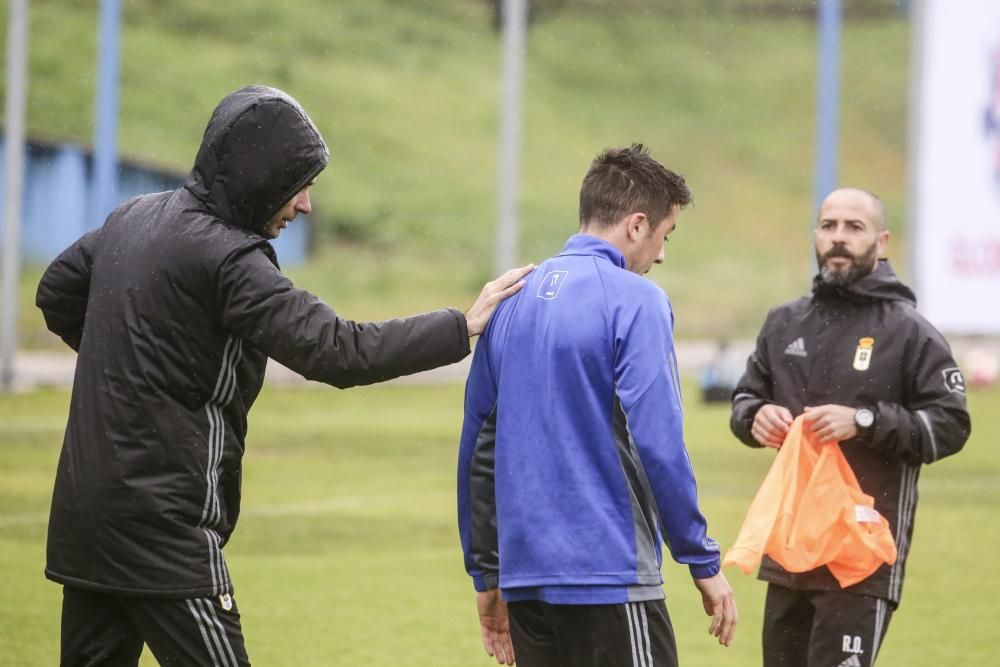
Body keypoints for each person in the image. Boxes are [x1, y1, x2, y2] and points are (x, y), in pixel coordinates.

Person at [35, 84, 531, 667]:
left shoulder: (133, 218)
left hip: (85, 524)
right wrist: (462, 325)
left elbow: (56, 291)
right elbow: (337, 351)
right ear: (260, 175)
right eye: (300, 185)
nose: (306, 205)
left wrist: (132, 365)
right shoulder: (228, 260)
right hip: (164, 533)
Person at [457, 144, 738, 667]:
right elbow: (659, 442)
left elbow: (478, 446)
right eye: (664, 235)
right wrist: (702, 561)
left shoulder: (510, 298)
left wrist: (488, 573)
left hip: (526, 584)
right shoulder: (636, 300)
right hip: (606, 574)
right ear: (636, 225)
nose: (661, 255)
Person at [729, 187, 972, 667]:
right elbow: (744, 400)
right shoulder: (784, 323)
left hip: (860, 562)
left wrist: (864, 421)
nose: (838, 238)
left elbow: (950, 422)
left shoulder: (909, 332)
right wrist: (756, 417)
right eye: (829, 226)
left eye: (853, 228)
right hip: (790, 557)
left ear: (881, 242)